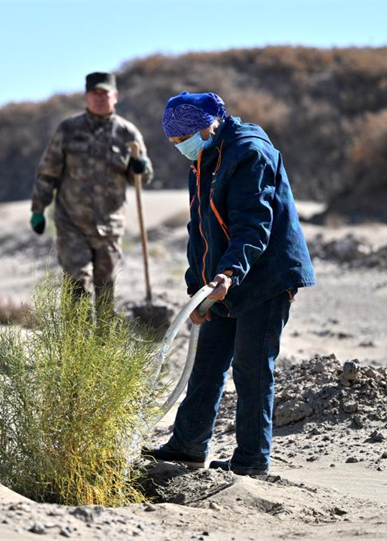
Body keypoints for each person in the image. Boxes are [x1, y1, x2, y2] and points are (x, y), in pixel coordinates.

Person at [144, 91, 315, 475]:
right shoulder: (204, 159)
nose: (179, 148)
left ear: (208, 126)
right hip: (222, 278)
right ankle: (187, 445)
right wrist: (196, 286)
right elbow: (200, 228)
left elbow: (253, 224)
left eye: (182, 139)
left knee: (251, 367)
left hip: (264, 276)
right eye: (173, 143)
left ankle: (252, 461)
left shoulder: (249, 153)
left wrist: (230, 272)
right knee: (207, 363)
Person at [30, 72, 153, 315]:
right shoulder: (68, 130)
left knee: (106, 287)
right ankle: (76, 347)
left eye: (104, 94)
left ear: (115, 96)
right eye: (94, 94)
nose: (99, 99)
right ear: (86, 97)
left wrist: (141, 167)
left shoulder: (128, 134)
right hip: (71, 222)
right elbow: (48, 172)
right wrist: (38, 209)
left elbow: (143, 178)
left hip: (110, 225)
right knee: (77, 282)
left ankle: (102, 346)